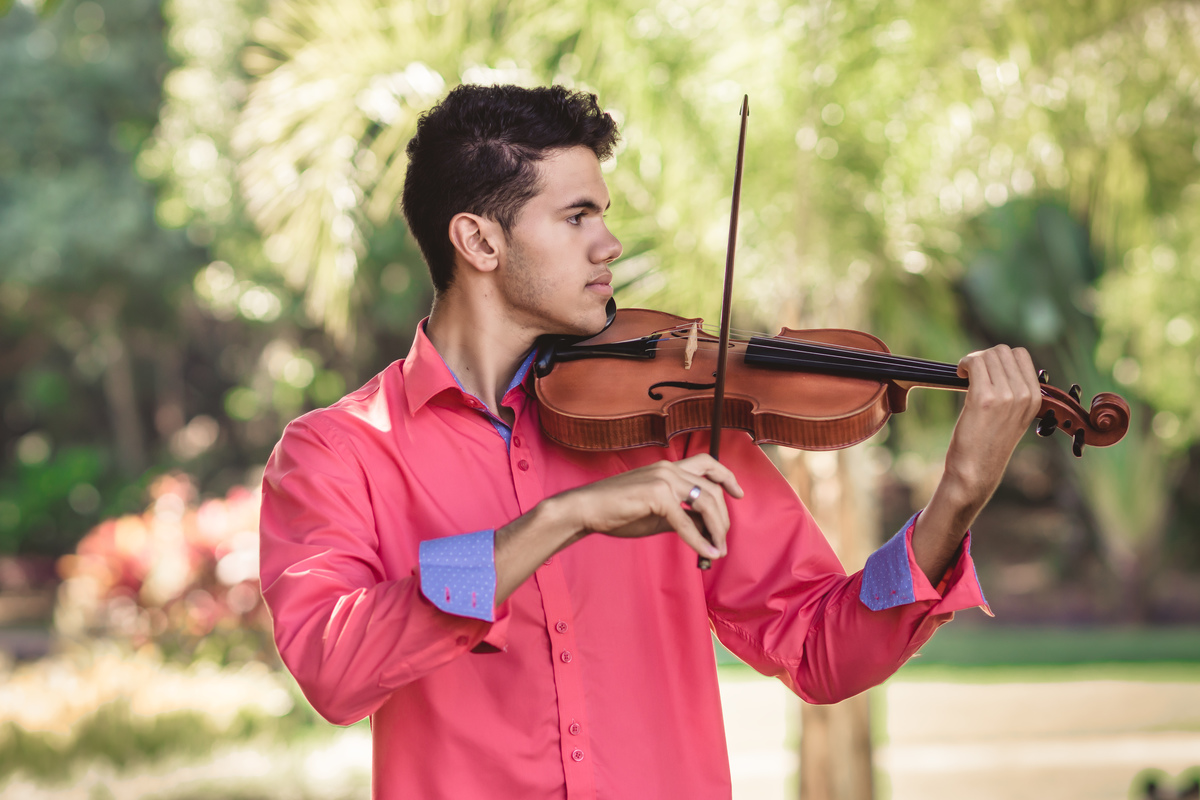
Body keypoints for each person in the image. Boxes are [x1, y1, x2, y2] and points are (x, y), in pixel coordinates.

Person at [258, 84, 1042, 799]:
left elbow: (819, 649)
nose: (610, 246)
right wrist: (562, 518)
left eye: (601, 213)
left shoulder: (670, 417)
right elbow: (335, 669)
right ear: (479, 242)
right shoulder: (339, 452)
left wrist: (958, 498)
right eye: (576, 218)